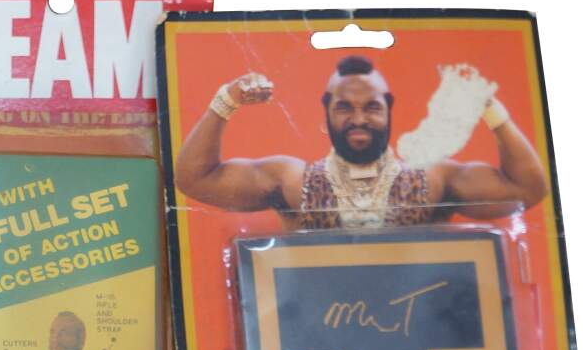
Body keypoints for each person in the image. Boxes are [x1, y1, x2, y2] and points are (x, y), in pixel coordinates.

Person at [173, 55, 548, 227]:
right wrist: (226, 100)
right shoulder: (294, 182)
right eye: (344, 107)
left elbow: (526, 189)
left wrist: (488, 107)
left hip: (425, 327)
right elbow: (195, 179)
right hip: (315, 335)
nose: (358, 119)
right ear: (326, 111)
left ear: (388, 109)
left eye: (371, 107)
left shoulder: (432, 181)